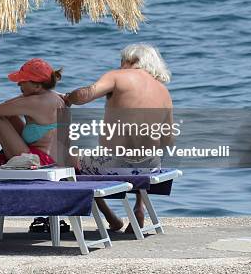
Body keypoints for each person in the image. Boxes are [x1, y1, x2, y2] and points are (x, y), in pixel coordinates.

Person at [64, 44, 173, 233]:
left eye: (122, 60)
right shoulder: (163, 91)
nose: (120, 64)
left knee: (66, 160)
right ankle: (139, 208)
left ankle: (109, 216)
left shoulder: (118, 76)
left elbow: (85, 95)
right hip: (151, 165)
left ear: (129, 60)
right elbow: (167, 140)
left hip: (116, 163)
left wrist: (68, 98)